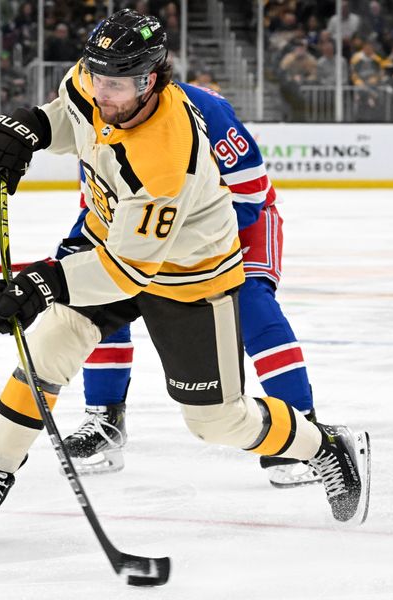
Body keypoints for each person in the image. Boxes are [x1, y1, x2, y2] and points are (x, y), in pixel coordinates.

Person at [0, 10, 371, 536]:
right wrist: (32, 128)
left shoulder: (168, 153)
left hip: (188, 275)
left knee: (218, 422)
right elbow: (74, 116)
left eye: (117, 85)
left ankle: (323, 445)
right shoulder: (94, 81)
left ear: (149, 81)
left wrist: (45, 282)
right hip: (113, 241)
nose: (102, 92)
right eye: (96, 75)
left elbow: (127, 272)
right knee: (44, 354)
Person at [57, 83, 320, 489]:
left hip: (235, 227)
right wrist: (77, 253)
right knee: (100, 293)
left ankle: (302, 429)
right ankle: (105, 421)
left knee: (252, 307)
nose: (103, 93)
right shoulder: (97, 113)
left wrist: (173, 244)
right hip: (158, 231)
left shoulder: (207, 110)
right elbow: (100, 206)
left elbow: (249, 195)